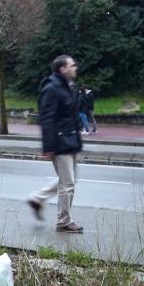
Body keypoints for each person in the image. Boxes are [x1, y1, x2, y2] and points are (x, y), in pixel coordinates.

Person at [26, 55, 84, 233]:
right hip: (60, 142)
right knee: (67, 184)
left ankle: (37, 197)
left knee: (69, 181)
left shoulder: (67, 87)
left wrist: (79, 127)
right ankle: (64, 222)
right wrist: (48, 147)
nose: (75, 68)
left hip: (71, 139)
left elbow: (70, 113)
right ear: (62, 69)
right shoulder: (51, 88)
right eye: (72, 65)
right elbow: (47, 119)